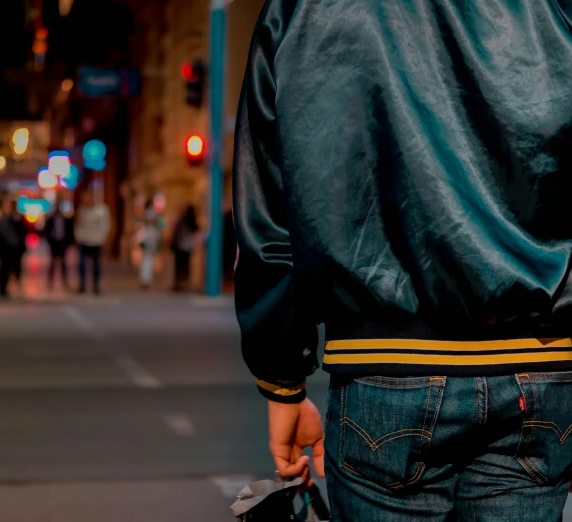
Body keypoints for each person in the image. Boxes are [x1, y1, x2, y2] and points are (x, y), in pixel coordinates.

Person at [233, 2, 572, 521]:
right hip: (541, 362)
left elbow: (270, 202)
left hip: (386, 364)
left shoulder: (301, 6)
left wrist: (282, 379)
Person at [74, 190, 110, 295]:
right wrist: (78, 237)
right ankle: (82, 285)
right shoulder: (82, 210)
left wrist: (103, 238)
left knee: (96, 265)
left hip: (97, 241)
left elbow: (106, 225)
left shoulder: (102, 210)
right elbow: (78, 225)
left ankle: (96, 286)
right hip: (84, 240)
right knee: (81, 264)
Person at [0, 199, 22, 299]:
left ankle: (7, 289)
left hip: (12, 250)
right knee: (4, 271)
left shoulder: (14, 220)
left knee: (12, 270)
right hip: (4, 251)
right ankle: (2, 290)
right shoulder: (1, 220)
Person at [44, 203, 74, 290]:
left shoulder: (66, 220)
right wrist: (50, 242)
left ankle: (65, 282)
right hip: (54, 244)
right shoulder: (51, 219)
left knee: (63, 263)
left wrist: (68, 242)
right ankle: (50, 282)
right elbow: (47, 231)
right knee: (53, 263)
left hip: (62, 244)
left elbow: (69, 231)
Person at [171, 205, 198, 292]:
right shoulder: (192, 221)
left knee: (179, 266)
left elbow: (176, 233)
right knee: (186, 265)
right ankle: (185, 283)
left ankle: (179, 283)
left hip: (180, 246)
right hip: (188, 247)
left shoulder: (182, 220)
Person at [138, 198, 161, 290]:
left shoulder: (146, 214)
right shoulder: (154, 214)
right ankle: (147, 279)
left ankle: (145, 279)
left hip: (148, 237)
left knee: (146, 259)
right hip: (151, 237)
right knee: (148, 259)